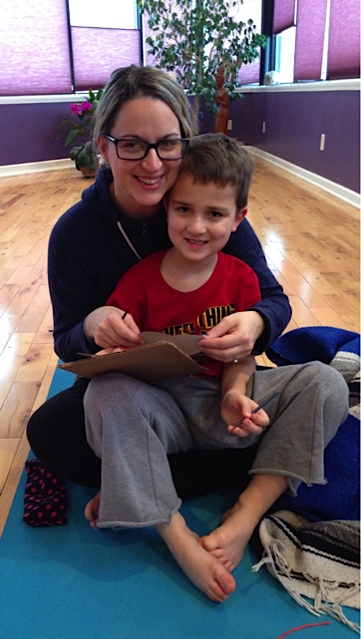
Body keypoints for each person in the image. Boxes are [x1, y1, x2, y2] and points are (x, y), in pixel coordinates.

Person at [83, 133, 349, 604]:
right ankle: (176, 533)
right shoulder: (139, 281)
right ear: (166, 209)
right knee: (103, 394)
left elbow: (242, 357)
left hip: (226, 408)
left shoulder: (241, 277)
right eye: (184, 209)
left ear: (239, 218)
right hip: (163, 411)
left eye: (214, 214)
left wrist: (235, 393)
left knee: (326, 381)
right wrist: (109, 352)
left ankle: (249, 509)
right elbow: (117, 361)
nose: (197, 226)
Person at [26, 64, 292, 497]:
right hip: (128, 389)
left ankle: (136, 475)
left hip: (214, 380)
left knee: (308, 396)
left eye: (168, 144)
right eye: (132, 145)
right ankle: (235, 470)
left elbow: (274, 301)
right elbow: (66, 342)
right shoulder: (75, 234)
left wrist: (256, 323)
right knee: (50, 432)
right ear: (103, 149)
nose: (152, 163)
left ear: (184, 145)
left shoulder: (211, 215)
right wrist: (94, 325)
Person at [214, 65, 230, 134]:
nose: (217, 82)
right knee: (217, 128)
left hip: (223, 111)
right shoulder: (218, 91)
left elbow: (226, 103)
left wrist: (218, 100)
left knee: (221, 128)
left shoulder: (224, 92)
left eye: (218, 81)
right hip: (219, 110)